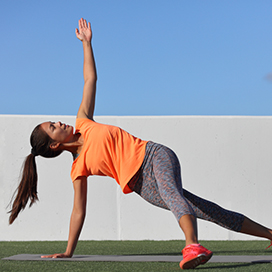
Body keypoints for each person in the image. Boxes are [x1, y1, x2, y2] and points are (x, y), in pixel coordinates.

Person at [8, 18, 272, 270]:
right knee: (207, 211)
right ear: (54, 145)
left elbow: (90, 80)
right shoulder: (78, 168)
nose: (59, 123)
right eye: (53, 127)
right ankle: (270, 233)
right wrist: (68, 251)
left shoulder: (83, 121)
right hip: (140, 186)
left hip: (153, 155)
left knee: (173, 195)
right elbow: (78, 211)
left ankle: (192, 246)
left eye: (53, 121)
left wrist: (86, 44)